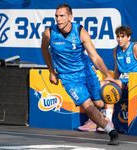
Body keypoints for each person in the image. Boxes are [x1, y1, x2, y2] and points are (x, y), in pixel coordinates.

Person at [41, 3, 121, 145]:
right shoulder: (49, 33)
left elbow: (95, 57)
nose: (58, 19)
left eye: (62, 16)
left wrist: (108, 76)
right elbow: (44, 49)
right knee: (89, 108)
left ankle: (103, 84)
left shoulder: (80, 32)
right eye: (56, 16)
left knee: (99, 102)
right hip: (68, 78)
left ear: (70, 17)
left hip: (86, 71)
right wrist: (51, 71)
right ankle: (112, 132)